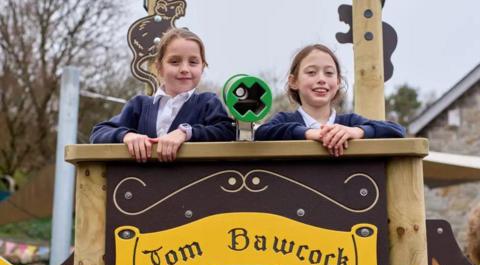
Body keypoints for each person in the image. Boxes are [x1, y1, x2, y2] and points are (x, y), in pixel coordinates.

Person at [90, 28, 235, 162]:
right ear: (159, 67)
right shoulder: (140, 105)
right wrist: (127, 136)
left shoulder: (208, 102)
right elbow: (98, 133)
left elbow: (228, 131)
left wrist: (186, 133)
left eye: (193, 62)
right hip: (142, 186)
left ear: (202, 67)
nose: (184, 69)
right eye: (174, 61)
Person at [255, 44, 405, 156]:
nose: (321, 79)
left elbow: (397, 131)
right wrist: (308, 133)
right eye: (311, 72)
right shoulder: (284, 120)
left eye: (329, 73)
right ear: (294, 82)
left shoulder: (350, 122)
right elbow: (261, 133)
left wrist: (357, 132)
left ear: (338, 81)